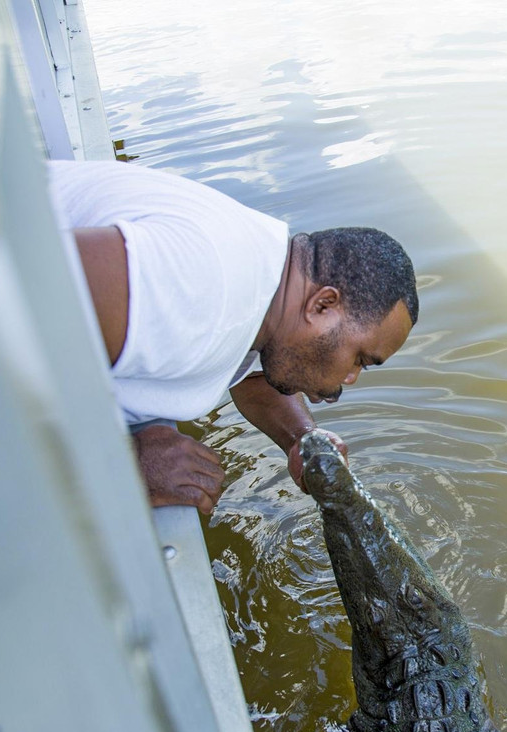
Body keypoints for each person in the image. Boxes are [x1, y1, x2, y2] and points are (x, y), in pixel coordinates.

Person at [48, 159, 418, 515]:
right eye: (359, 359)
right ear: (322, 305)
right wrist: (122, 461)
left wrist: (301, 439)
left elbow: (249, 373)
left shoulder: (267, 283)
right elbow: (18, 298)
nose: (348, 380)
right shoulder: (195, 279)